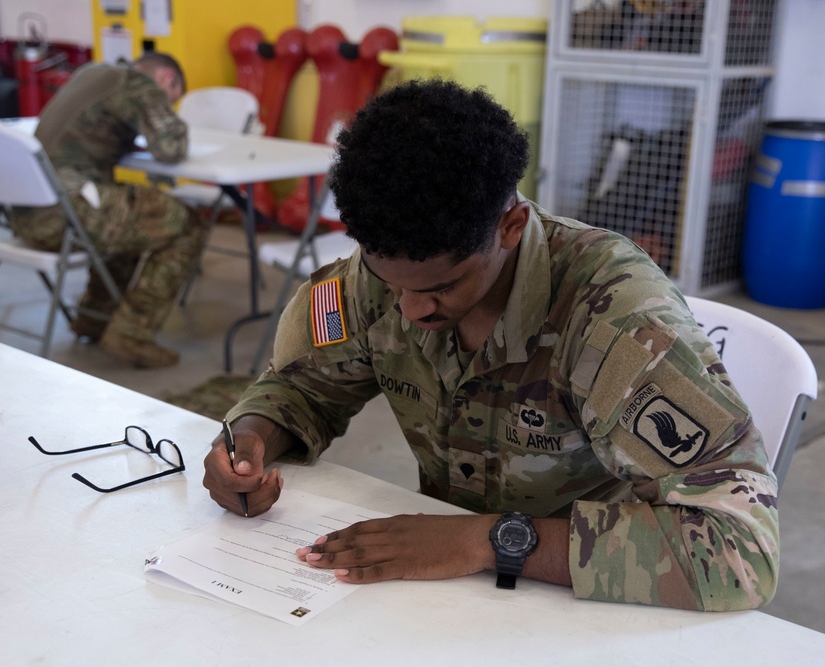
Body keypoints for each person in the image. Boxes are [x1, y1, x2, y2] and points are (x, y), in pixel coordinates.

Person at [202, 79, 779, 611]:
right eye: (391, 282)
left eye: (441, 287)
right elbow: (300, 385)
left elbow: (741, 552)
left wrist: (487, 541)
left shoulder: (616, 323)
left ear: (510, 225)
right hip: (446, 591)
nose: (409, 309)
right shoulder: (374, 277)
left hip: (588, 600)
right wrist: (249, 441)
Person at [11, 52, 208, 368]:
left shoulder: (92, 73)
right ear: (167, 79)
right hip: (64, 215)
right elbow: (171, 147)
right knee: (186, 223)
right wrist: (164, 115)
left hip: (27, 211)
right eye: (171, 99)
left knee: (137, 220)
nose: (167, 104)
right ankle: (131, 334)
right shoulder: (138, 82)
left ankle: (95, 318)